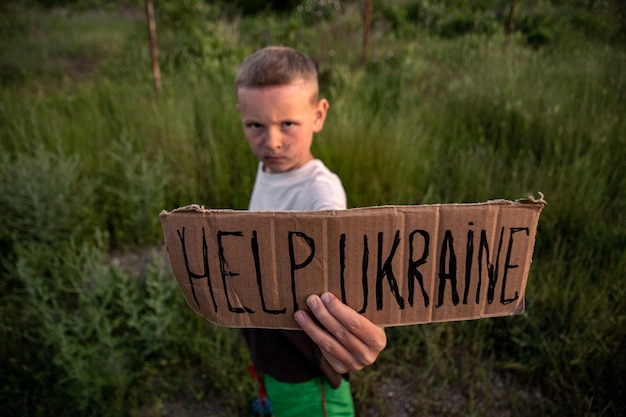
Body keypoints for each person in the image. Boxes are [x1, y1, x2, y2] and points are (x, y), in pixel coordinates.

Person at [236, 46, 387, 416]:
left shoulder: (321, 191)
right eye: (256, 125)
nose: (271, 141)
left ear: (318, 115)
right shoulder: (271, 166)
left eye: (287, 124)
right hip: (268, 335)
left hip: (305, 361)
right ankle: (271, 402)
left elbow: (338, 250)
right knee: (272, 381)